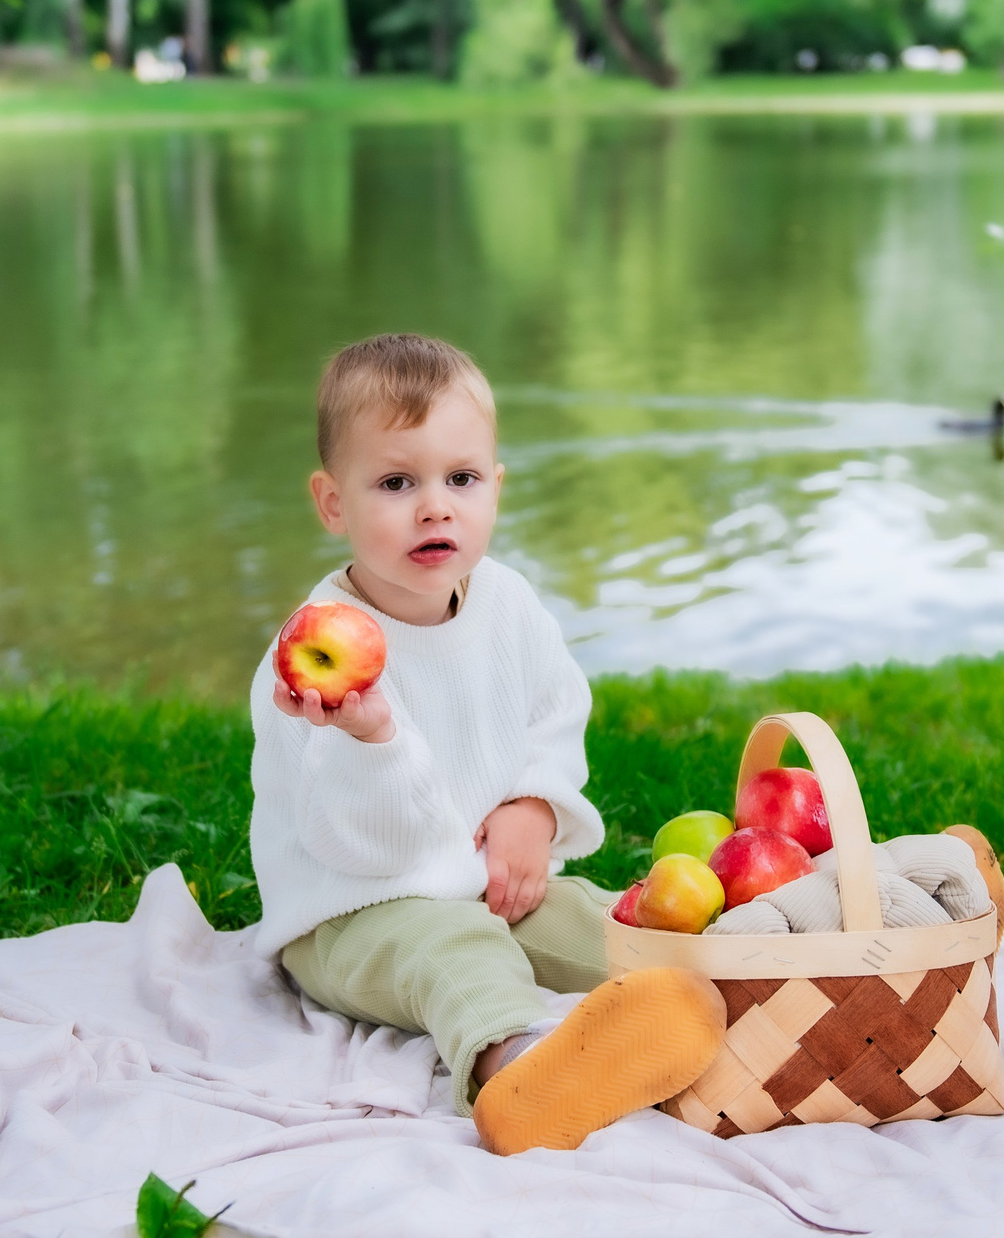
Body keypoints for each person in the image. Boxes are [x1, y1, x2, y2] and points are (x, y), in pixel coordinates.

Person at [249, 333, 725, 1155]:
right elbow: (360, 844)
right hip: (355, 913)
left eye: (461, 479)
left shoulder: (508, 603)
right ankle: (520, 1067)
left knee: (595, 919)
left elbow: (554, 710)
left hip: (481, 878)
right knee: (455, 948)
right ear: (332, 503)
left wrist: (534, 805)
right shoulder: (317, 672)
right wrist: (374, 738)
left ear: (495, 488)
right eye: (396, 482)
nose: (435, 506)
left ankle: (738, 998)